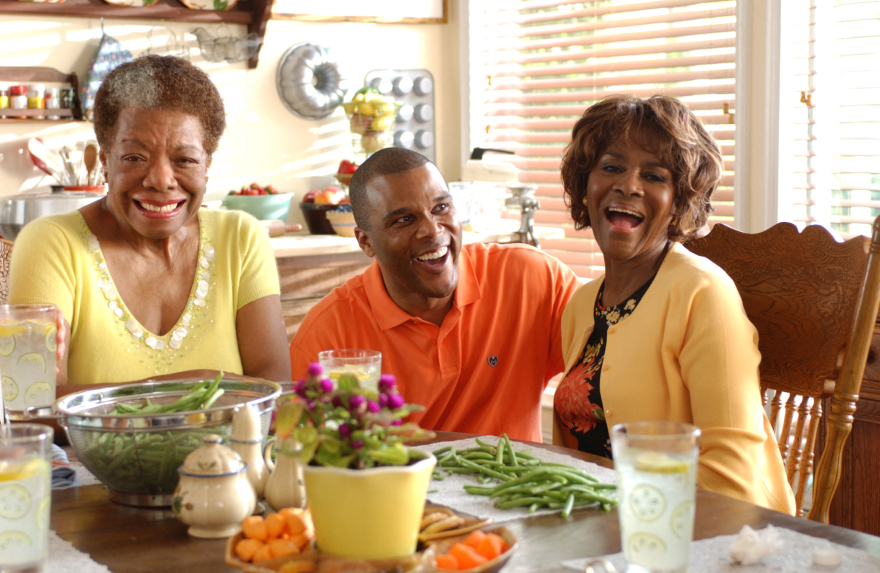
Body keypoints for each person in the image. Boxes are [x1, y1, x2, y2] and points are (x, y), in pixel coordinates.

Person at [553, 94, 795, 514]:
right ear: (584, 185)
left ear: (679, 202)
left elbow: (730, 479)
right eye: (611, 167)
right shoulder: (579, 305)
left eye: (655, 175)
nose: (629, 185)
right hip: (604, 529)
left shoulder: (703, 293)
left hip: (710, 534)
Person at [8, 55, 291, 386]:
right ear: (105, 160)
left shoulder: (242, 239)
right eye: (134, 157)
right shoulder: (51, 244)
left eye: (184, 159)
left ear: (207, 166)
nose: (160, 179)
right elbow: (33, 401)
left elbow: (276, 388)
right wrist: (191, 388)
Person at [290, 148, 581, 441]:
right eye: (404, 220)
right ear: (366, 242)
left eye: (441, 208)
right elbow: (309, 459)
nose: (432, 230)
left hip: (516, 483)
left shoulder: (533, 277)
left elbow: (608, 366)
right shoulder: (326, 336)